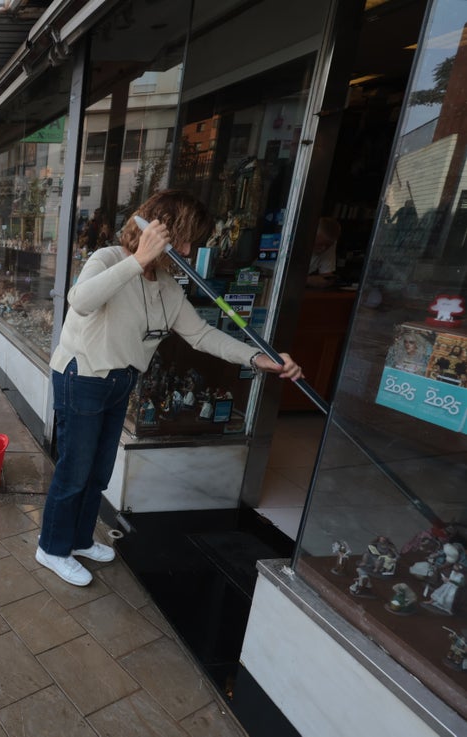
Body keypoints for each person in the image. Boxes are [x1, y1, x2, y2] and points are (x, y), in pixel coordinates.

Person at [35, 189, 303, 586]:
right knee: (75, 471)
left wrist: (258, 359)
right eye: (186, 237)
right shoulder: (109, 259)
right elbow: (81, 300)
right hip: (84, 377)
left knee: (98, 472)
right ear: (163, 231)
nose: (190, 250)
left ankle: (77, 538)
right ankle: (52, 547)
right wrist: (138, 260)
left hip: (121, 381)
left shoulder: (166, 284)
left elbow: (202, 334)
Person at [307, 216, 340, 288]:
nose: (323, 249)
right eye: (320, 244)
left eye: (328, 245)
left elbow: (327, 275)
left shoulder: (329, 242)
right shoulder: (295, 242)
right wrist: (308, 280)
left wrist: (329, 281)